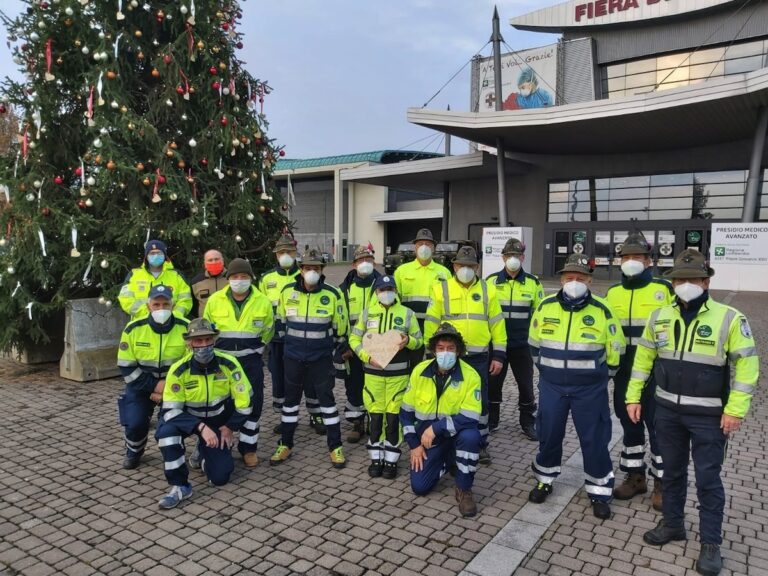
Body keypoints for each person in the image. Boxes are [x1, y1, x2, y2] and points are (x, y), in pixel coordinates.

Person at [627, 248, 759, 576]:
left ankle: (711, 544)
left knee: (708, 480)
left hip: (710, 418)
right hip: (667, 412)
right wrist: (633, 397)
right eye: (679, 280)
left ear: (705, 281)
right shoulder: (660, 316)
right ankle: (673, 525)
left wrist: (736, 410)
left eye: (692, 279)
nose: (685, 284)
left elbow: (748, 366)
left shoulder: (729, 318)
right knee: (670, 473)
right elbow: (643, 360)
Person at [527, 253, 625, 519]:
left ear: (590, 280)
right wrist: (548, 371)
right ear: (561, 279)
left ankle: (599, 491)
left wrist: (603, 377)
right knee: (549, 434)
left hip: (590, 390)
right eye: (569, 278)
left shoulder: (603, 310)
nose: (574, 282)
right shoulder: (545, 306)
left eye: (580, 278)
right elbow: (534, 344)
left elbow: (616, 348)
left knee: (594, 440)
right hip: (552, 386)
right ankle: (544, 480)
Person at [605, 231, 674, 510]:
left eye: (637, 257)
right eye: (626, 257)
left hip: (656, 373)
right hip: (624, 372)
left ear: (649, 261)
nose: (631, 261)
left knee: (659, 427)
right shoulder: (613, 293)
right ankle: (635, 477)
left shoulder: (664, 289)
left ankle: (662, 483)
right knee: (629, 424)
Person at [155, 318, 253, 509]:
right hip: (187, 420)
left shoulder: (229, 364)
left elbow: (245, 401)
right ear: (189, 343)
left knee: (220, 478)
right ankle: (180, 486)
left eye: (207, 340)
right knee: (167, 436)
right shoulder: (179, 370)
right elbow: (170, 411)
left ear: (214, 340)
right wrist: (200, 427)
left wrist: (230, 427)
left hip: (218, 423)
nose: (203, 345)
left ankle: (204, 453)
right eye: (198, 341)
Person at [424, 245, 506, 463]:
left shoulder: (489, 290)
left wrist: (498, 355)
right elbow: (431, 322)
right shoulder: (440, 289)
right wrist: (429, 351)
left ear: (477, 267)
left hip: (479, 358)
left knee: (480, 403)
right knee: (448, 399)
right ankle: (447, 440)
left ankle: (480, 444)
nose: (465, 269)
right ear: (454, 266)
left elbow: (497, 325)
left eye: (470, 266)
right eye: (461, 265)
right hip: (449, 357)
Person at [270, 248, 349, 468]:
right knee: (290, 403)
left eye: (316, 268)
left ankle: (335, 447)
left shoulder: (333, 294)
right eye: (307, 268)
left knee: (328, 403)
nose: (311, 271)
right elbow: (280, 324)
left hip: (321, 359)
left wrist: (329, 350)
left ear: (322, 270)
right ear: (301, 270)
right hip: (293, 358)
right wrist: (291, 348)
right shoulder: (286, 292)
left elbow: (340, 329)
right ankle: (285, 443)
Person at [400, 323, 482, 517]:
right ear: (434, 350)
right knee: (420, 487)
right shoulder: (420, 371)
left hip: (454, 435)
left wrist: (437, 427)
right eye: (441, 348)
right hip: (429, 441)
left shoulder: (471, 376)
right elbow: (405, 412)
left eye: (451, 348)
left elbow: (471, 416)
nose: (446, 353)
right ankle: (448, 461)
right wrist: (413, 444)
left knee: (471, 437)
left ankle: (464, 488)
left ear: (459, 351)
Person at [348, 275, 422, 479]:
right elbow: (354, 338)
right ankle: (376, 458)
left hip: (399, 375)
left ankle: (391, 460)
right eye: (382, 289)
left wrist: (408, 341)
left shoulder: (407, 314)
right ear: (376, 292)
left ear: (396, 291)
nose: (386, 293)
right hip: (372, 375)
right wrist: (365, 356)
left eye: (390, 289)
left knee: (393, 419)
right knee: (375, 417)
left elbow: (419, 340)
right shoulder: (366, 313)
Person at [203, 258, 273, 468]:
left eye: (244, 277)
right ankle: (222, 443)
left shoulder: (263, 301)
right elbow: (207, 329)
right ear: (228, 279)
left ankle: (248, 448)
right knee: (223, 403)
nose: (239, 280)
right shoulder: (215, 300)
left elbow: (269, 330)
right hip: (222, 364)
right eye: (235, 277)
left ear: (251, 278)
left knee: (253, 405)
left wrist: (256, 350)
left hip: (251, 363)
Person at [117, 285, 189, 469]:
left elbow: (190, 364)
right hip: (141, 386)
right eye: (156, 304)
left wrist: (169, 387)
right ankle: (134, 451)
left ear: (172, 305)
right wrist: (154, 386)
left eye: (165, 304)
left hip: (174, 387)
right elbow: (126, 367)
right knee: (135, 423)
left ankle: (176, 450)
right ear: (148, 306)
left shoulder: (185, 328)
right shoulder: (133, 329)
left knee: (173, 423)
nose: (161, 308)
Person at [486, 237, 544, 440]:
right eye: (509, 255)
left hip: (522, 346)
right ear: (503, 257)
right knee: (493, 384)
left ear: (523, 257)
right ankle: (491, 421)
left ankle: (528, 423)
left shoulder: (533, 283)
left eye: (517, 255)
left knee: (526, 386)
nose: (513, 259)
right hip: (497, 346)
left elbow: (539, 315)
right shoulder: (490, 281)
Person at [257, 234, 304, 432]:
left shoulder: (302, 275)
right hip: (276, 339)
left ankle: (315, 415)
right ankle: (286, 416)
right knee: (279, 376)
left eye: (289, 251)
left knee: (303, 376)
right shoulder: (266, 278)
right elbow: (260, 307)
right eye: (282, 252)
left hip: (299, 337)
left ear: (295, 253)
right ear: (276, 255)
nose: (286, 255)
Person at [337, 245, 382, 443]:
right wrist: (344, 346)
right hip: (353, 347)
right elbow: (340, 320)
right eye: (361, 260)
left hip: (377, 346)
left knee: (375, 385)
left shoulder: (383, 286)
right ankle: (357, 424)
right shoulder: (344, 290)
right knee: (354, 385)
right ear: (354, 264)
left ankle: (375, 422)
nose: (365, 264)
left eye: (369, 260)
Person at [394, 228, 451, 366]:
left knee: (433, 366)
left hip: (435, 328)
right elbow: (395, 301)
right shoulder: (402, 271)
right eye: (420, 244)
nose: (424, 247)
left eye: (428, 244)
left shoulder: (444, 273)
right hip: (410, 328)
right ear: (415, 247)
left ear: (434, 248)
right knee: (412, 366)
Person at [118, 239, 192, 319]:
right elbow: (125, 299)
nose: (156, 256)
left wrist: (174, 316)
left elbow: (185, 300)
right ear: (146, 256)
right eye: (152, 253)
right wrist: (146, 314)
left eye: (159, 253)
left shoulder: (176, 275)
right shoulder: (134, 275)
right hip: (142, 324)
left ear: (164, 256)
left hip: (172, 324)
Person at [190, 249, 227, 317]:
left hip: (229, 324)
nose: (214, 262)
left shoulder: (232, 278)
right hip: (206, 324)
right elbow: (193, 306)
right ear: (205, 264)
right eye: (210, 260)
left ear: (222, 261)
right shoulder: (196, 282)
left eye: (216, 259)